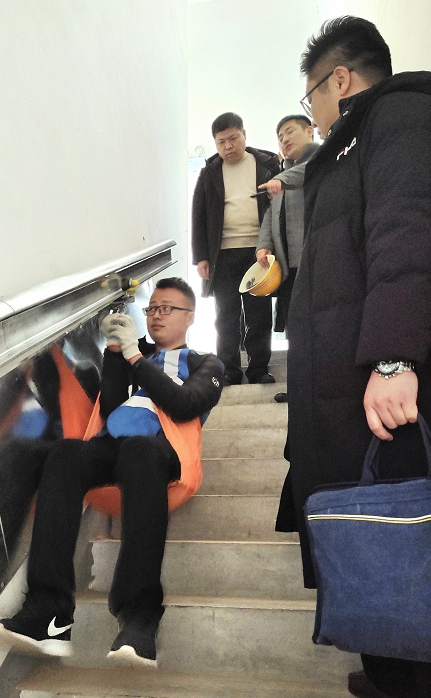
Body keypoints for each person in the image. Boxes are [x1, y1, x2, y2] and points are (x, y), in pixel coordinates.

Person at [282, 16, 431, 698]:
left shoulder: (398, 116)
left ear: (339, 79)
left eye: (310, 93)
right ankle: (388, 671)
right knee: (374, 532)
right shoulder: (347, 146)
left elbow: (407, 232)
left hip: (381, 384)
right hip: (345, 385)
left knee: (401, 530)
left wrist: (395, 358)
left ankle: (404, 674)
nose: (311, 110)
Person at [0, 277, 223, 668]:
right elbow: (111, 407)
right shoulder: (135, 355)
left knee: (139, 450)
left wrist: (134, 356)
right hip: (113, 446)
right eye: (152, 308)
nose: (156, 315)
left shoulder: (206, 364)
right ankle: (49, 613)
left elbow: (185, 403)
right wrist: (115, 353)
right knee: (65, 453)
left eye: (167, 308)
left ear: (190, 317)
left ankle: (139, 617)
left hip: (162, 451)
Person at [191, 112, 280, 386]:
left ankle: (258, 369)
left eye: (233, 138)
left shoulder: (266, 164)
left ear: (244, 135)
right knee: (225, 315)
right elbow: (198, 214)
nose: (228, 146)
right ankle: (228, 369)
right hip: (223, 254)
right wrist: (201, 257)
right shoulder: (210, 171)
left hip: (259, 251)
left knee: (259, 314)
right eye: (221, 142)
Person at [256, 114, 319, 403]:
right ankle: (300, 390)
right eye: (280, 137)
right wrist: (263, 246)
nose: (284, 139)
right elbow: (271, 215)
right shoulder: (284, 174)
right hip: (289, 269)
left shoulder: (320, 158)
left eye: (289, 132)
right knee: (297, 333)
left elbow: (310, 171)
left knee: (319, 331)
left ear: (310, 130)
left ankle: (319, 390)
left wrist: (279, 179)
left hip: (316, 266)